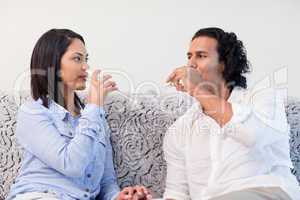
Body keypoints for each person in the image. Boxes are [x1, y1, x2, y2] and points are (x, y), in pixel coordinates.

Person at [7, 29, 152, 200]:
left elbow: (106, 182)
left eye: (86, 59)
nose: (86, 66)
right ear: (52, 64)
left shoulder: (96, 117)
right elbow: (71, 165)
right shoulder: (33, 113)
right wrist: (93, 106)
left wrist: (119, 197)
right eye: (77, 58)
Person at [164, 27, 300, 200]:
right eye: (189, 56)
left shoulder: (262, 97)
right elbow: (176, 193)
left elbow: (252, 136)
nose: (190, 64)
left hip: (266, 192)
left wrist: (198, 89)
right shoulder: (180, 129)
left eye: (201, 56)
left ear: (224, 63)